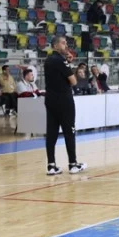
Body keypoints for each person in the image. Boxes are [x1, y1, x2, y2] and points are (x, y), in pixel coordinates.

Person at [44, 36, 86, 175]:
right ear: (55, 46)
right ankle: (73, 164)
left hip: (50, 99)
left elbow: (58, 76)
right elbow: (73, 81)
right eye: (63, 43)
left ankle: (51, 165)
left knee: (52, 132)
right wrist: (68, 64)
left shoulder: (48, 60)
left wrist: (67, 62)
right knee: (69, 131)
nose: (66, 45)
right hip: (64, 100)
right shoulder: (60, 60)